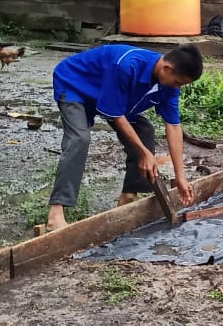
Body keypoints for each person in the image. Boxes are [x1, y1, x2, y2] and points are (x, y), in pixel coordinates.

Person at [46, 43, 203, 231]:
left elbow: (173, 126)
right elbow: (114, 113)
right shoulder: (126, 65)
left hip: (110, 94)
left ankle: (129, 195)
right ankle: (56, 212)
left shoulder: (169, 84)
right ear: (167, 68)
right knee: (79, 139)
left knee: (145, 131)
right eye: (177, 82)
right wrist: (144, 152)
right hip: (75, 84)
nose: (177, 87)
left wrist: (180, 176)